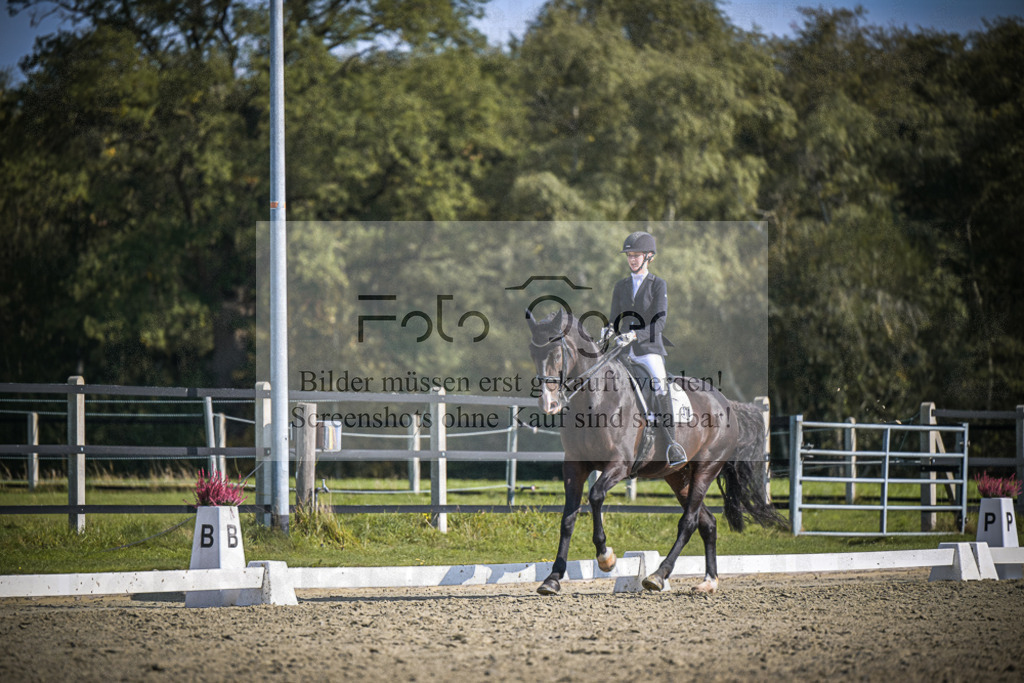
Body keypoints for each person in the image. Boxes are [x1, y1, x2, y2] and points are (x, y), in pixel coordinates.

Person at [608, 231, 686, 472]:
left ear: (649, 257)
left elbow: (659, 324)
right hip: (623, 351)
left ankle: (672, 445)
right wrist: (607, 331)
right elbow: (613, 319)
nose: (632, 259)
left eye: (636, 255)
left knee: (660, 385)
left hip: (648, 349)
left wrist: (635, 335)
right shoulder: (620, 286)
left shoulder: (657, 284)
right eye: (629, 255)